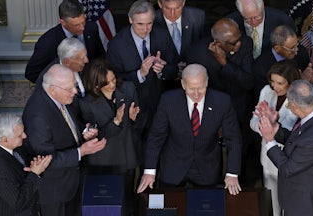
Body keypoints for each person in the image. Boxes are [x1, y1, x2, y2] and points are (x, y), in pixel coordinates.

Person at [137, 64, 242, 195]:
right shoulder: (168, 100)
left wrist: (232, 173)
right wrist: (149, 172)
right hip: (174, 165)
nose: (197, 94)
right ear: (183, 84)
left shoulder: (222, 101)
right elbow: (156, 137)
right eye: (192, 89)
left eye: (201, 88)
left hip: (207, 167)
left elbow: (233, 139)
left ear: (207, 82)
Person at [22, 64, 106, 216]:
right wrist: (81, 151)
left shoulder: (61, 96)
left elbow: (69, 123)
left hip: (70, 182)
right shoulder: (37, 117)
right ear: (53, 89)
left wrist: (84, 131)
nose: (75, 91)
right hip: (54, 191)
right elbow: (46, 160)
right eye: (70, 88)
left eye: (74, 85)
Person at [185, 18, 256, 186]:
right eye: (233, 43)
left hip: (240, 107)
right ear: (218, 42)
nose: (238, 44)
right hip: (211, 111)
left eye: (239, 38)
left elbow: (248, 82)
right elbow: (199, 91)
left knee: (241, 150)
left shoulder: (245, 43)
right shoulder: (197, 53)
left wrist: (225, 63)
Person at [106, 0, 179, 145]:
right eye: (140, 24)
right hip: (132, 109)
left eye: (149, 23)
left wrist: (162, 70)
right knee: (133, 155)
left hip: (159, 107)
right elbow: (113, 80)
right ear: (130, 19)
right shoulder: (116, 45)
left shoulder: (162, 35)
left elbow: (175, 69)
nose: (145, 29)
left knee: (157, 152)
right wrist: (139, 74)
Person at [258, 79, 313, 216]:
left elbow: (287, 169)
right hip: (304, 192)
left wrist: (269, 140)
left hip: (305, 202)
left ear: (293, 105)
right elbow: (297, 141)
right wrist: (275, 127)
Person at [79, 59, 143, 216]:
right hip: (103, 161)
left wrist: (134, 119)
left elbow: (140, 123)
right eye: (107, 83)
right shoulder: (86, 103)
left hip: (127, 156)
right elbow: (94, 135)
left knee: (127, 201)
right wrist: (115, 122)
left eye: (113, 79)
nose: (112, 85)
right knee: (105, 203)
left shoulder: (127, 89)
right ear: (96, 84)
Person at [250, 59, 300, 216]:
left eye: (280, 83)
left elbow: (293, 132)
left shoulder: (299, 96)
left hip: (288, 159)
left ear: (291, 82)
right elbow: (252, 123)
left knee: (290, 202)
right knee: (272, 201)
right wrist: (266, 125)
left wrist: (269, 123)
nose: (275, 87)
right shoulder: (266, 91)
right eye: (273, 81)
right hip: (267, 157)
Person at [0, 114, 53, 216]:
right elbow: (18, 203)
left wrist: (34, 164)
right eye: (20, 135)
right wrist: (34, 173)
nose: (24, 136)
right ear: (5, 139)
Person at [25, 0, 104, 83]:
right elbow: (31, 73)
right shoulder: (48, 42)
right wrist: (60, 83)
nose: (82, 28)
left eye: (83, 22)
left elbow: (100, 56)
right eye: (76, 25)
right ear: (63, 22)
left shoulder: (91, 28)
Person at [253, 25, 313, 98]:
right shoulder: (260, 68)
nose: (296, 50)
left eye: (297, 44)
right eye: (292, 48)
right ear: (277, 48)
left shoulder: (302, 53)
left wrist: (311, 80)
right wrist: (301, 81)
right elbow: (267, 97)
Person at [227, 0, 295, 59]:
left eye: (257, 17)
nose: (253, 22)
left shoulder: (282, 21)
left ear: (262, 5)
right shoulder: (230, 23)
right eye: (247, 19)